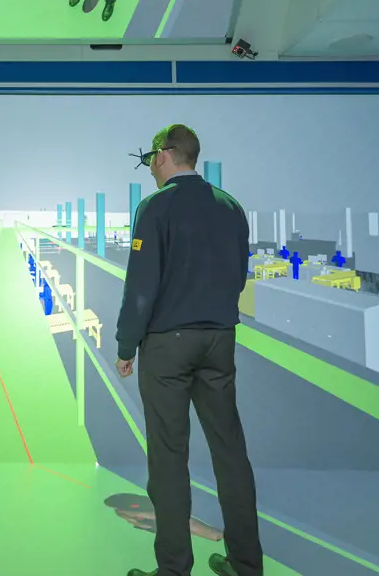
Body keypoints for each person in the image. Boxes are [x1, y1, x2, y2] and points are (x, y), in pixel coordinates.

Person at [115, 124, 263, 576]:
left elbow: (141, 287)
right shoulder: (230, 206)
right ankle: (245, 565)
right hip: (220, 339)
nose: (150, 170)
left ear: (163, 156)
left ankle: (174, 569)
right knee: (230, 453)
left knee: (168, 457)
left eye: (149, 161)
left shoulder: (155, 207)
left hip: (167, 346)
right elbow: (240, 273)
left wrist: (126, 345)